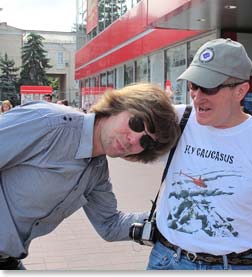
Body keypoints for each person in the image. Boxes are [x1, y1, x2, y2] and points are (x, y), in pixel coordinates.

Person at [147, 38, 252, 270]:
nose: (197, 96)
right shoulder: (176, 120)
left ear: (241, 91)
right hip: (167, 260)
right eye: (193, 85)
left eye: (209, 87)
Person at [0, 83, 181, 270]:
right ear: (118, 106)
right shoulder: (48, 123)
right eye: (136, 123)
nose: (133, 139)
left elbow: (109, 224)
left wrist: (171, 219)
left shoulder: (97, 170)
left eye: (146, 141)